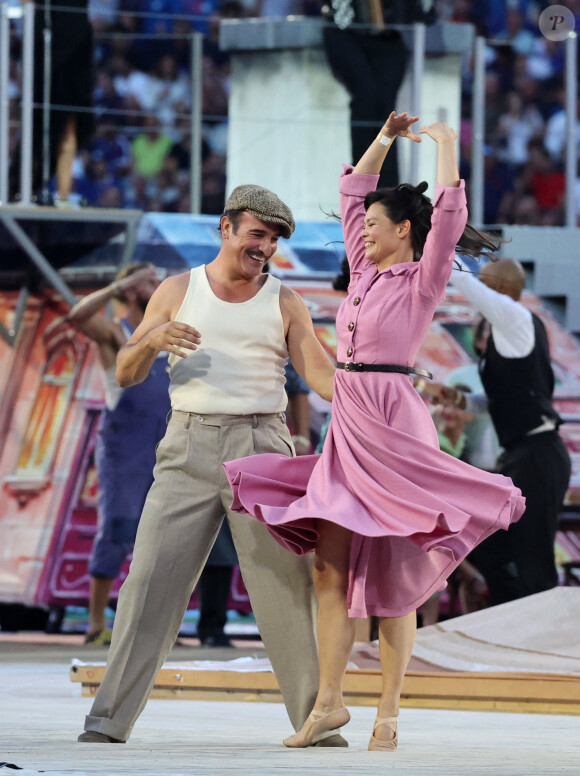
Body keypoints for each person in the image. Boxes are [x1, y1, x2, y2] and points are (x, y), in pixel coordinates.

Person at [224, 112, 525, 751]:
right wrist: (385, 138)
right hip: (351, 419)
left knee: (393, 577)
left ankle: (389, 709)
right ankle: (329, 702)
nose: (360, 229)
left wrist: (445, 146)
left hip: (395, 419)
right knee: (329, 572)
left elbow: (447, 217)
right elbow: (353, 191)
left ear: (403, 231)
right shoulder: (362, 273)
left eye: (373, 226)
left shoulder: (424, 279)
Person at [77, 184, 342, 746]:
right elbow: (124, 373)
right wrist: (152, 339)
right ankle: (107, 722)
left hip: (263, 449)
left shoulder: (285, 301)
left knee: (284, 593)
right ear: (226, 228)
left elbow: (321, 379)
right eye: (257, 234)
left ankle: (315, 726)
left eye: (272, 240)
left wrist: (380, 379)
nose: (264, 247)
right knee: (147, 582)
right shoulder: (178, 290)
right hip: (187, 446)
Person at [444, 258, 572, 605]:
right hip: (522, 456)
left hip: (538, 455)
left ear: (499, 291)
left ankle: (540, 644)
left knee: (532, 557)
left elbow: (468, 285)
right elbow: (500, 398)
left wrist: (440, 240)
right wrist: (461, 400)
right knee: (489, 547)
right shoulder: (507, 334)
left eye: (487, 285)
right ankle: (510, 623)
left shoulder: (515, 319)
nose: (480, 291)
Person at [66, 263, 168, 645]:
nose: (158, 286)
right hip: (125, 444)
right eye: (150, 281)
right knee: (117, 529)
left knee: (159, 536)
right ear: (131, 289)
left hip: (163, 443)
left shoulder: (163, 330)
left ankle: (146, 625)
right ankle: (95, 623)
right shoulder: (115, 331)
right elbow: (77, 317)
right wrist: (115, 286)